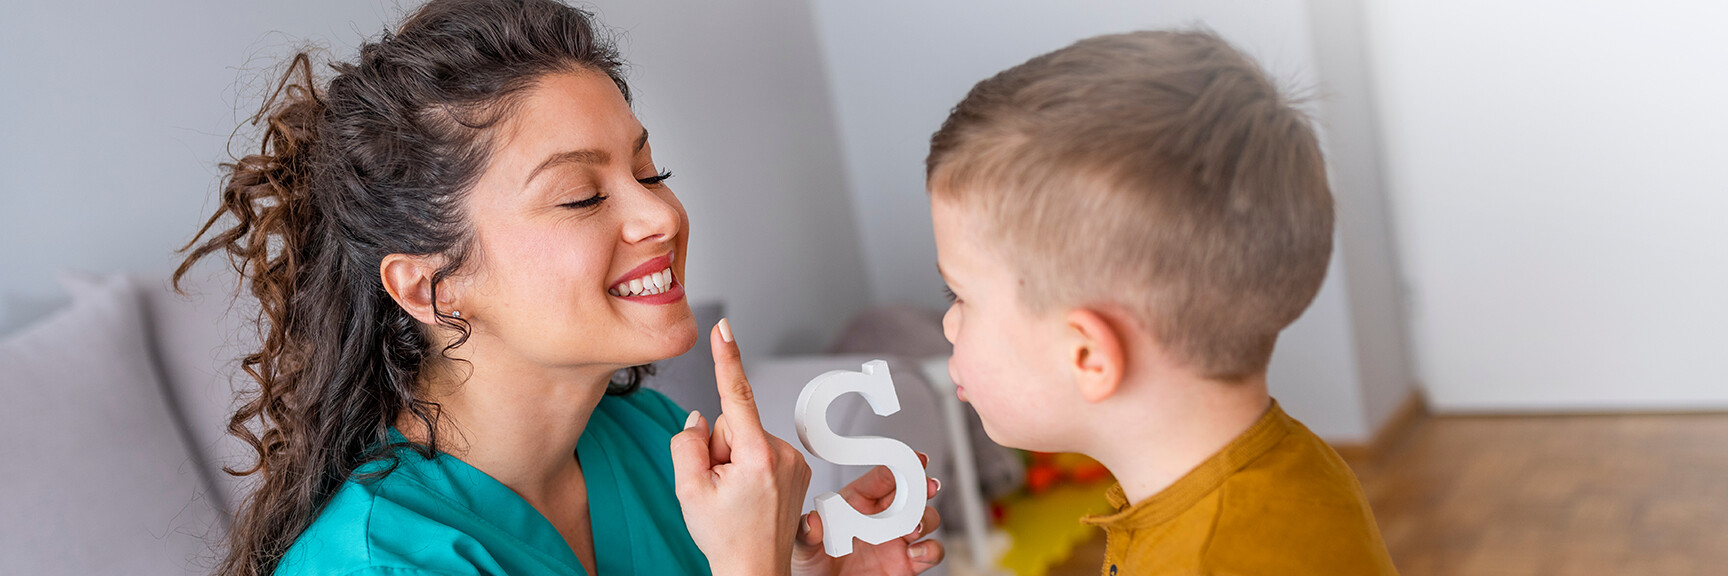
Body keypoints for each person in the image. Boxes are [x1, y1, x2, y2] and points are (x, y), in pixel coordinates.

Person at [176, 1, 943, 574]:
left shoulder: (655, 442)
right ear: (432, 287)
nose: (661, 214)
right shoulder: (381, 562)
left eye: (649, 172)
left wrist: (806, 569)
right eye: (582, 195)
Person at [924, 30, 1399, 574]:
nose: (948, 324)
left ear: (1088, 356)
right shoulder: (1286, 464)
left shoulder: (1209, 559)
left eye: (959, 295)